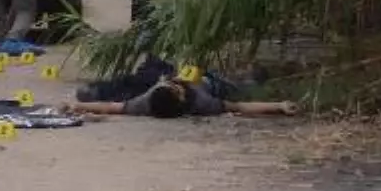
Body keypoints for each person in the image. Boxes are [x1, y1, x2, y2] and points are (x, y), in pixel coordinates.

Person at [66, 76, 297, 119]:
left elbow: (111, 107)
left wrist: (78, 106)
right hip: (210, 83)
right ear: (180, 93)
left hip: (187, 75)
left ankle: (96, 88)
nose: (168, 83)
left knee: (144, 75)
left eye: (165, 84)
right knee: (235, 88)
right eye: (169, 85)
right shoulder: (204, 103)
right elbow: (242, 107)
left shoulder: (145, 103)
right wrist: (279, 105)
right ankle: (252, 80)